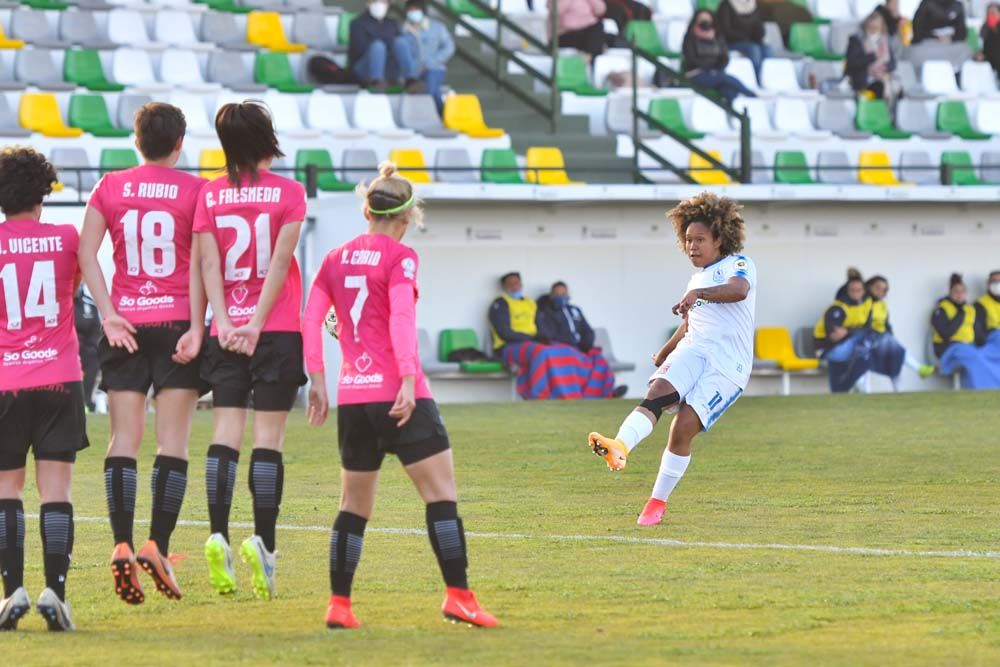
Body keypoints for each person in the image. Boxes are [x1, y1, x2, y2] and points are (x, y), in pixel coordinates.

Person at [302, 161, 497, 629]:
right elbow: (400, 321)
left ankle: (339, 606)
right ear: (407, 218)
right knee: (441, 496)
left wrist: (317, 380)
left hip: (352, 397)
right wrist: (408, 380)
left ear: (366, 210)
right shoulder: (400, 257)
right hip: (399, 395)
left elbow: (311, 319)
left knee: (353, 506)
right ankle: (459, 598)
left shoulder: (334, 258)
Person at [79, 102, 207, 605]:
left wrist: (108, 313)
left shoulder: (109, 186)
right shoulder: (196, 190)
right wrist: (199, 326)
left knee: (122, 441)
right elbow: (203, 263)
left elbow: (87, 252)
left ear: (137, 141)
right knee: (172, 443)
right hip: (176, 324)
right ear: (179, 144)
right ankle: (157, 546)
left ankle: (121, 544)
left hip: (126, 324)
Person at [588, 192, 756, 527]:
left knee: (682, 430)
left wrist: (698, 295)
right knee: (656, 394)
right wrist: (666, 350)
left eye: (700, 240)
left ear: (720, 239)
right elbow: (692, 322)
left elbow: (738, 291)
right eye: (688, 240)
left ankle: (656, 503)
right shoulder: (697, 279)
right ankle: (619, 447)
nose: (692, 247)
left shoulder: (738, 264)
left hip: (728, 366)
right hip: (694, 350)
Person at [195, 101, 307, 600]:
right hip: (276, 331)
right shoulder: (290, 193)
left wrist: (223, 321)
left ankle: (217, 531)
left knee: (225, 435)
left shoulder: (209, 195)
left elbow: (208, 266)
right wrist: (259, 324)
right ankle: (263, 543)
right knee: (269, 441)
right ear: (266, 138)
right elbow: (281, 262)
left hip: (225, 330)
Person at [0, 147, 87, 631]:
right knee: (56, 491)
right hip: (58, 376)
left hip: (5, 380)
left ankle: (12, 590)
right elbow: (70, 291)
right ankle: (56, 590)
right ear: (43, 195)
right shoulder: (66, 238)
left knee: (5, 491)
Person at [489, 273, 614, 399]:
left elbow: (541, 325)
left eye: (517, 282)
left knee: (566, 351)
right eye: (511, 283)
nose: (515, 286)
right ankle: (539, 395)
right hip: (508, 346)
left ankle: (581, 394)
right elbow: (504, 333)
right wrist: (532, 338)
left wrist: (543, 338)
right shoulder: (500, 304)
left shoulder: (530, 303)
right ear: (504, 286)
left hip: (531, 343)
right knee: (542, 352)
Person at [536, 281, 628, 397]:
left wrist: (585, 345)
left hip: (580, 349)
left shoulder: (574, 310)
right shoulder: (545, 311)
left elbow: (587, 330)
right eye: (557, 294)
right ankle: (574, 395)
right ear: (551, 295)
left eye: (563, 294)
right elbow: (548, 333)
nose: (561, 297)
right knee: (570, 360)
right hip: (563, 348)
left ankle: (609, 392)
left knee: (598, 360)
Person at [864, 275, 935, 390]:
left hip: (882, 338)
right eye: (877, 288)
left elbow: (886, 324)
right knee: (893, 349)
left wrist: (889, 335)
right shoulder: (864, 302)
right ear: (868, 287)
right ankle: (918, 368)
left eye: (884, 289)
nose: (881, 292)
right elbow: (863, 323)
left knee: (895, 354)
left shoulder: (882, 304)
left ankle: (899, 390)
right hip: (868, 338)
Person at [931, 273, 1000, 388]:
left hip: (969, 346)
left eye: (962, 292)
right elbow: (946, 333)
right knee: (975, 357)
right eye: (956, 292)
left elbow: (977, 333)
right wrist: (960, 313)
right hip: (950, 348)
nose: (960, 295)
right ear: (950, 293)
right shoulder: (941, 309)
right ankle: (983, 390)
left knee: (984, 356)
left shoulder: (970, 309)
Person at [682, 10, 757, 106]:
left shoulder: (718, 37)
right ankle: (751, 95)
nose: (705, 21)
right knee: (726, 79)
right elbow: (690, 59)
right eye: (702, 18)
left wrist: (716, 67)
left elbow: (725, 58)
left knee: (728, 90)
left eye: (707, 18)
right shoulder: (689, 37)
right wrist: (711, 66)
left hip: (715, 73)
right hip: (696, 74)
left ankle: (733, 113)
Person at [349, 0, 424, 93]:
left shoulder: (392, 23)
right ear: (369, 3)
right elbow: (360, 50)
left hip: (389, 66)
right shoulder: (357, 23)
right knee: (378, 46)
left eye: (384, 2)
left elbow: (399, 47)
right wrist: (383, 42)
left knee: (401, 42)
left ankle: (411, 79)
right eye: (377, 1)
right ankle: (376, 81)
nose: (380, 4)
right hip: (366, 66)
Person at [403, 0, 454, 113]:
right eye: (410, 10)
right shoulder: (403, 30)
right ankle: (441, 113)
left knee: (429, 85)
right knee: (432, 90)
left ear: (423, 11)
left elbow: (449, 47)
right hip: (412, 73)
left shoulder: (437, 27)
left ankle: (433, 113)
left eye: (416, 10)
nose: (413, 13)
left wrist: (431, 63)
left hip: (434, 69)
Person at [845, 12, 899, 100]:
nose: (874, 30)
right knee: (879, 87)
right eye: (871, 27)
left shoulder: (884, 41)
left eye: (877, 28)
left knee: (895, 87)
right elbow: (852, 63)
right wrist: (873, 56)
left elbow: (892, 63)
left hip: (882, 77)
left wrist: (885, 67)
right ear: (865, 27)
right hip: (863, 79)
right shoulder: (856, 40)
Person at [717, 0, 772, 83]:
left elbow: (758, 27)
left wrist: (760, 32)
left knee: (767, 49)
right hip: (730, 42)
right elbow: (725, 30)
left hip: (750, 41)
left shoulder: (752, 5)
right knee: (754, 48)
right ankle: (757, 79)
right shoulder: (726, 5)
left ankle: (768, 79)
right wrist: (745, 38)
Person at [73, 285, 100, 412]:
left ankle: (87, 402)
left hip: (87, 350)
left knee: (93, 362)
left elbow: (95, 329)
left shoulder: (89, 304)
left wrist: (94, 348)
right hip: (69, 349)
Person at [974, 270, 1000, 345]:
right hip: (993, 340)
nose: (998, 284)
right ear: (988, 283)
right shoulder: (980, 304)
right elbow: (979, 333)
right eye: (995, 281)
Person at [979, 3, 1000, 76]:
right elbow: (983, 45)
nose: (990, 15)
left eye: (993, 13)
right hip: (988, 57)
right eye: (989, 13)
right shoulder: (985, 28)